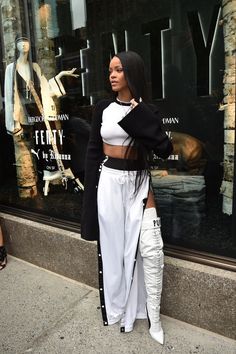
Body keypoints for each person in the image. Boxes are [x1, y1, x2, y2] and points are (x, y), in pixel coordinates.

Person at [81, 51, 173, 344]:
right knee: (114, 249)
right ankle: (120, 309)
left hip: (138, 184)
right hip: (109, 182)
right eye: (110, 70)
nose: (112, 75)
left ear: (131, 73)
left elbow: (164, 149)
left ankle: (152, 319)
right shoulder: (103, 109)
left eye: (118, 69)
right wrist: (90, 197)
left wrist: (138, 114)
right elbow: (94, 150)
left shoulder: (148, 111)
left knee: (149, 249)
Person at [4, 35, 79, 198]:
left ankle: (57, 174)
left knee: (49, 144)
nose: (24, 45)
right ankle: (36, 182)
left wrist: (60, 76)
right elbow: (10, 95)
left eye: (26, 42)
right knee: (36, 147)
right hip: (26, 112)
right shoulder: (11, 68)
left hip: (41, 112)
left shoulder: (35, 67)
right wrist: (13, 121)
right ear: (16, 46)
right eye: (20, 43)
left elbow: (45, 88)